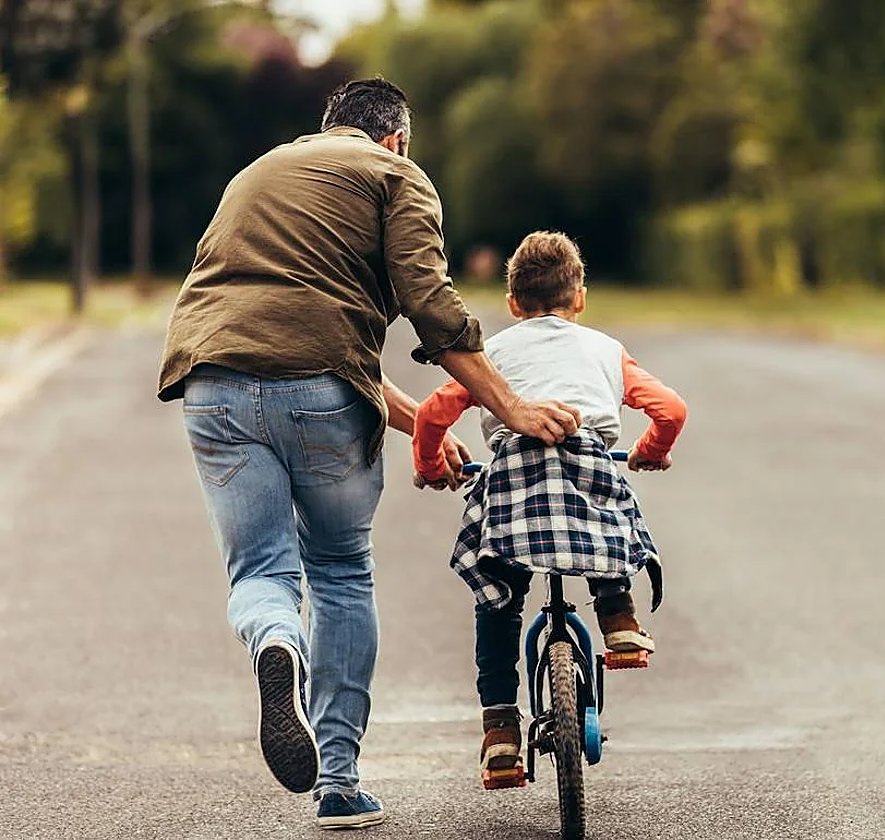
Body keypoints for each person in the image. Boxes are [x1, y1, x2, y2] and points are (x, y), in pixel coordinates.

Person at [156, 79, 581, 829]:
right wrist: (510, 406)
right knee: (340, 570)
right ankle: (339, 784)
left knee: (261, 573)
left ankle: (277, 642)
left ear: (327, 129)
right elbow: (430, 304)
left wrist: (428, 426)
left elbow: (309, 338)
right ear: (398, 139)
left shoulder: (257, 174)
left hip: (212, 385)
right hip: (321, 395)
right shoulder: (395, 175)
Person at [410, 231, 687, 789]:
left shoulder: (491, 357)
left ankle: (500, 735)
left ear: (513, 304)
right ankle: (619, 620)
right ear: (579, 297)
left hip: (514, 484)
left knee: (500, 600)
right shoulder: (607, 351)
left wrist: (430, 462)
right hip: (587, 470)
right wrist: (649, 452)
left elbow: (433, 413)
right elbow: (671, 410)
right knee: (608, 512)